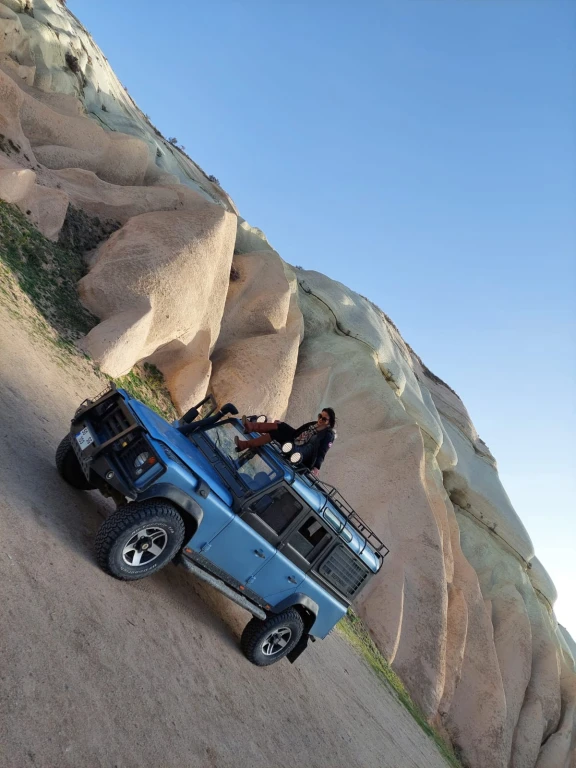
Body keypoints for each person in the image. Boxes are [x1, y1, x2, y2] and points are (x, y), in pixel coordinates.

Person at [234, 408, 337, 476]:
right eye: (320, 416)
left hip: (301, 454)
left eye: (324, 419)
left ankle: (246, 444)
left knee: (277, 433)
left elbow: (323, 451)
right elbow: (298, 433)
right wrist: (283, 427)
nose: (320, 420)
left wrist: (317, 467)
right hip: (295, 441)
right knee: (281, 426)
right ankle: (251, 427)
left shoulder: (328, 435)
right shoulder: (314, 424)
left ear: (329, 422)